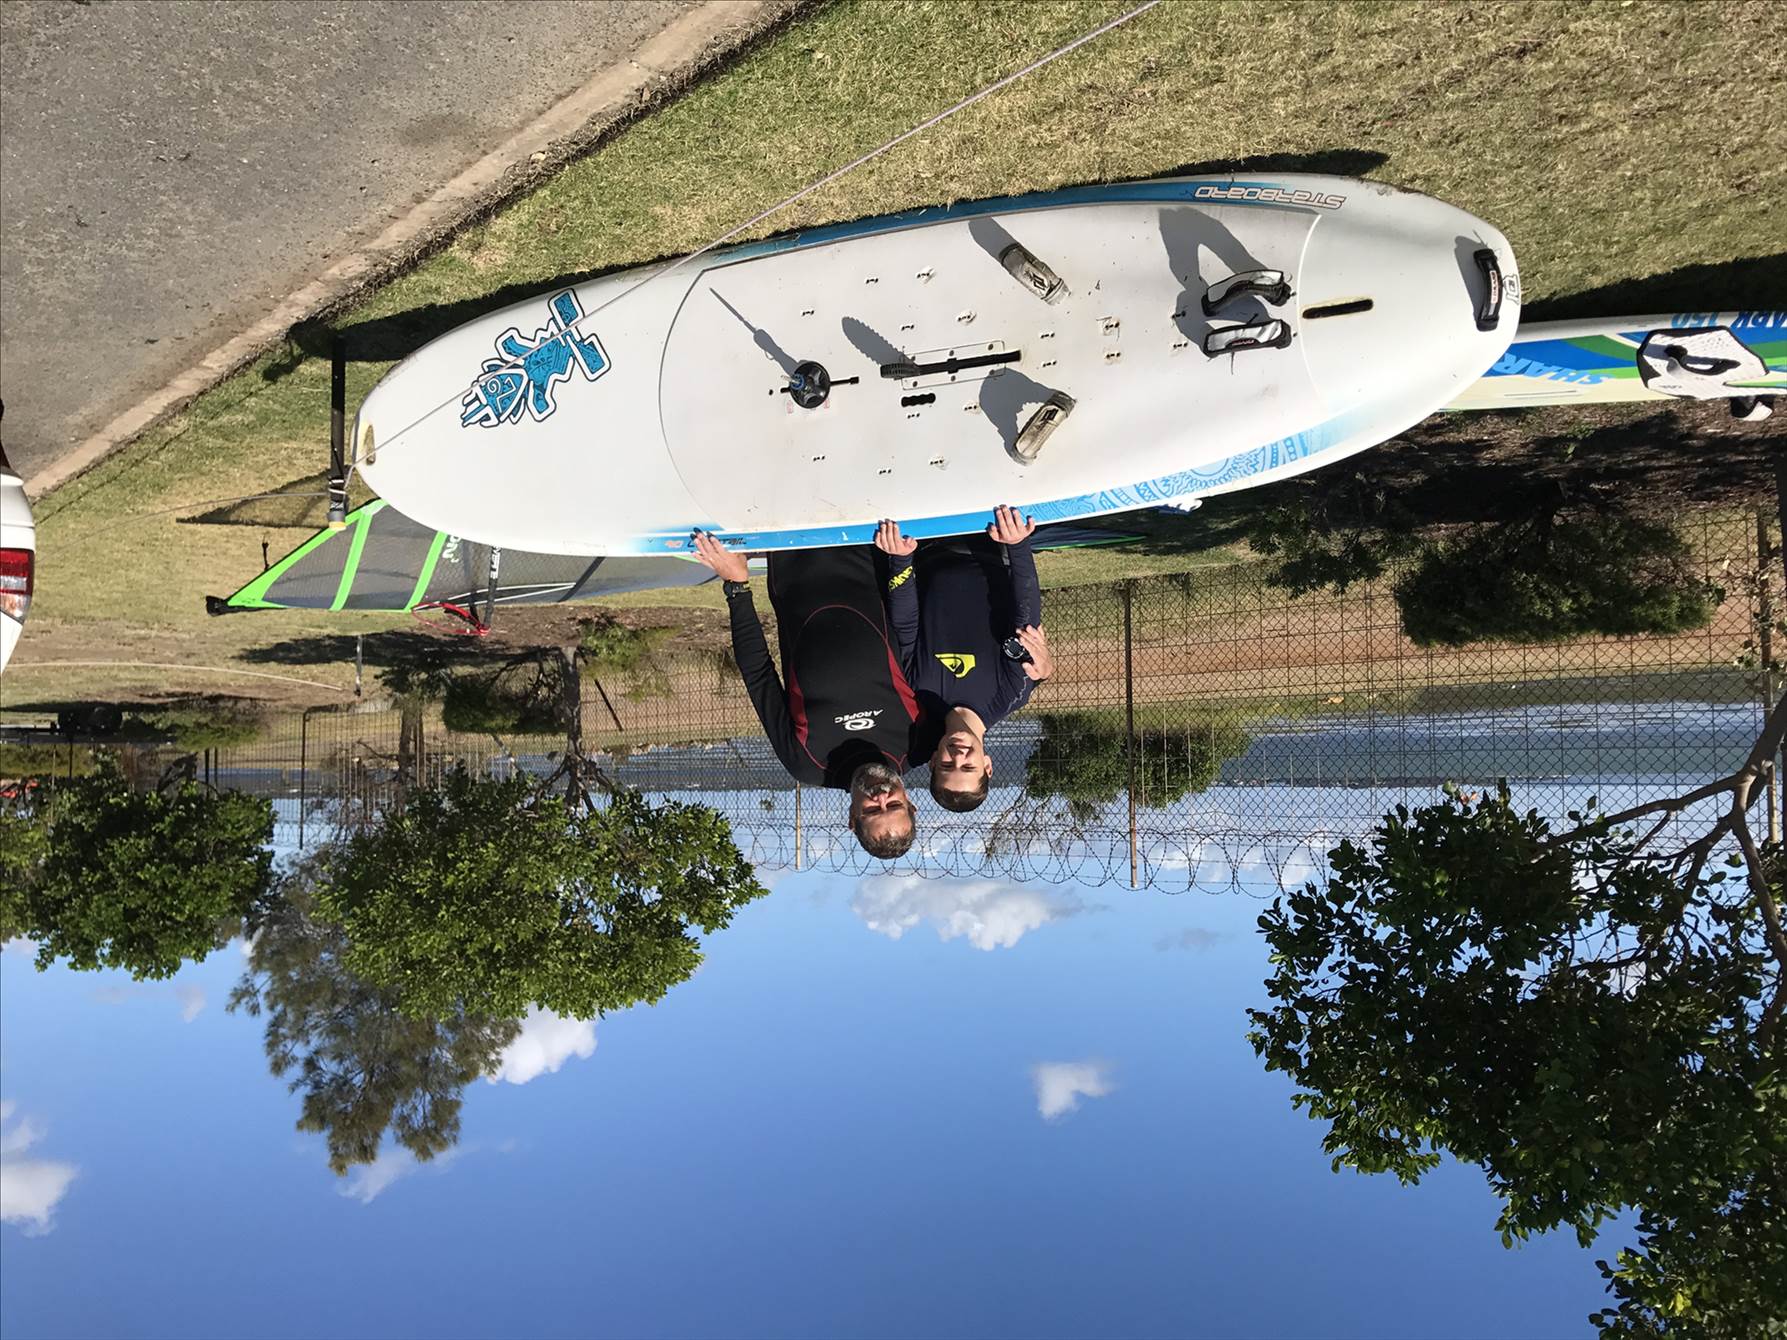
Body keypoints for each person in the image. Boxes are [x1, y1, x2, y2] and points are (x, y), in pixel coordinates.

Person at [692, 531, 925, 859]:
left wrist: (737, 588)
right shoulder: (919, 742)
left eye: (872, 810)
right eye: (894, 805)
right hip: (871, 545)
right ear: (911, 803)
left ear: (852, 817)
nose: (881, 797)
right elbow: (917, 638)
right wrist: (901, 561)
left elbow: (759, 677)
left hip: (792, 559)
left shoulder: (807, 764)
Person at [875, 505, 1055, 812]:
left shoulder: (918, 691)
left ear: (933, 760)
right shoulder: (1012, 693)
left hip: (924, 540)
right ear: (987, 765)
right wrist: (1017, 545)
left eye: (947, 765)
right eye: (968, 767)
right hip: (987, 537)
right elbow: (1025, 617)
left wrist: (900, 559)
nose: (958, 756)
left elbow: (905, 624)